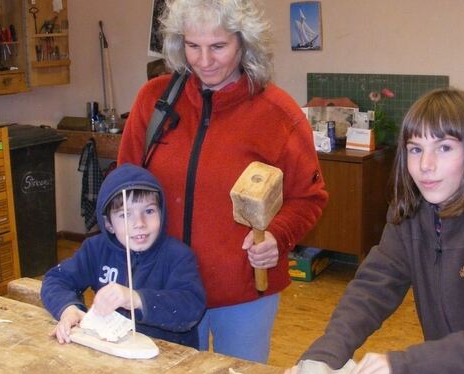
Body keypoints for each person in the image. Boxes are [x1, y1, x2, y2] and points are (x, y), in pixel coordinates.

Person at [289, 88, 464, 374]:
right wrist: (326, 354)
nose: (425, 165)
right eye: (416, 149)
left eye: (444, 147)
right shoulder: (411, 208)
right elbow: (374, 285)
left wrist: (405, 364)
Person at [118, 0, 328, 363]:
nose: (203, 61)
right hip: (164, 289)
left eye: (218, 46)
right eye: (192, 46)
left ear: (244, 42)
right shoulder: (153, 102)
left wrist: (277, 236)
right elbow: (123, 187)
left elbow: (309, 198)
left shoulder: (277, 114)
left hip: (244, 294)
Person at [41, 163, 206, 348]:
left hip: (167, 356)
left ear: (162, 212)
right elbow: (55, 280)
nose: (139, 223)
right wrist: (68, 309)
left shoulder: (178, 256)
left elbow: (191, 307)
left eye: (149, 211)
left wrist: (136, 299)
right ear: (109, 224)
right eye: (125, 215)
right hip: (112, 351)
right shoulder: (96, 250)